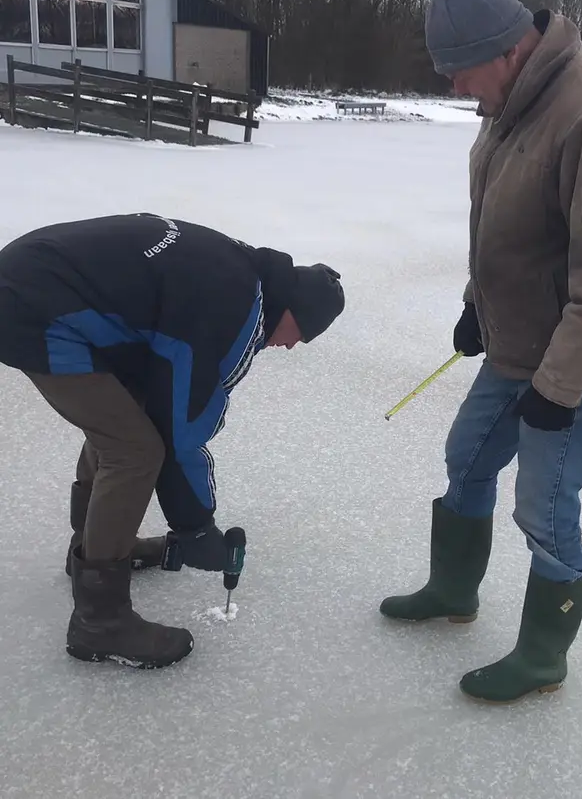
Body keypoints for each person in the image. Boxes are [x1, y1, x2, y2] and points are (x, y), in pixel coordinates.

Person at [379, 0, 582, 703]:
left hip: (577, 357)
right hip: (516, 338)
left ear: (505, 50)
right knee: (467, 457)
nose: (455, 89)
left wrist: (559, 389)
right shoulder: (508, 98)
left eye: (460, 73)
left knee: (545, 504)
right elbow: (505, 223)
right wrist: (478, 304)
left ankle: (542, 658)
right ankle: (453, 591)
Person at [0, 213, 344, 669]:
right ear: (292, 312)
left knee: (128, 413)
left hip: (35, 278)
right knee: (135, 449)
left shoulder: (239, 270)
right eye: (303, 334)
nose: (293, 346)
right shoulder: (237, 308)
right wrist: (196, 526)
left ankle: (95, 544)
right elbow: (185, 422)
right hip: (33, 306)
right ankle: (99, 621)